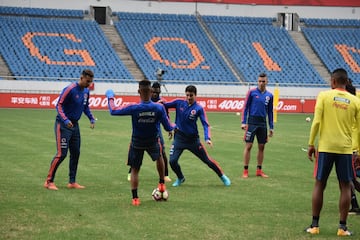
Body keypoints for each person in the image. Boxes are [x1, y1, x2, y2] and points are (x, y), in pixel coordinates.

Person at [306, 68, 360, 236]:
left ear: (334, 81)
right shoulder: (355, 101)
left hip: (325, 147)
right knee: (345, 186)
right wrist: (356, 149)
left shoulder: (324, 96)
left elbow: (316, 122)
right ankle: (342, 228)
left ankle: (315, 226)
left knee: (319, 184)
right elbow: (358, 128)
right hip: (345, 149)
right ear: (346, 82)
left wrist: (311, 143)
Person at [105, 79, 175, 206]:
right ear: (151, 90)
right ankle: (161, 183)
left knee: (135, 169)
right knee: (159, 157)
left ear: (138, 91)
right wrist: (175, 126)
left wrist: (110, 96)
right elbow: (168, 127)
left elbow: (113, 110)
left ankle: (135, 199)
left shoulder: (134, 108)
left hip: (137, 142)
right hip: (153, 140)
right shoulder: (158, 107)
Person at [163, 85, 231, 187]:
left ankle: (223, 176)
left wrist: (207, 138)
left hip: (193, 140)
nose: (189, 97)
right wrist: (159, 103)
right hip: (179, 138)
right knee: (172, 161)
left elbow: (205, 124)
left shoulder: (198, 108)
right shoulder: (179, 103)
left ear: (195, 95)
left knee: (207, 160)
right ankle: (180, 178)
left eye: (191, 95)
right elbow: (165, 105)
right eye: (187, 95)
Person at [44, 69, 96, 190]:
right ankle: (49, 181)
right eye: (87, 81)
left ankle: (72, 182)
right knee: (62, 154)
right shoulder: (70, 89)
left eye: (91, 82)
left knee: (76, 153)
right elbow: (59, 105)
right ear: (81, 77)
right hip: (63, 125)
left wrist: (91, 118)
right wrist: (65, 120)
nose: (89, 84)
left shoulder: (86, 92)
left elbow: (85, 107)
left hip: (75, 126)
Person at [127, 81, 172, 182]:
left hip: (157, 128)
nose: (155, 93)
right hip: (143, 128)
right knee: (134, 149)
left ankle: (165, 175)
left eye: (157, 91)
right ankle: (131, 172)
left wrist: (169, 129)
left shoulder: (162, 102)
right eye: (154, 90)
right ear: (151, 90)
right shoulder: (147, 99)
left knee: (162, 150)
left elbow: (166, 115)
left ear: (159, 91)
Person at [241, 72, 274, 178]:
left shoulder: (269, 96)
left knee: (262, 146)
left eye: (263, 81)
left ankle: (259, 170)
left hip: (263, 123)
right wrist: (243, 122)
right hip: (251, 122)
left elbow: (270, 112)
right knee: (249, 145)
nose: (261, 83)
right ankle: (245, 170)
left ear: (267, 82)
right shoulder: (251, 92)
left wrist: (271, 127)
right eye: (259, 81)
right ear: (257, 81)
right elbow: (245, 107)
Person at [345, 79, 360, 215]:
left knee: (349, 178)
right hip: (351, 148)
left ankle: (355, 205)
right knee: (350, 178)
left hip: (352, 149)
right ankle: (354, 205)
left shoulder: (353, 106)